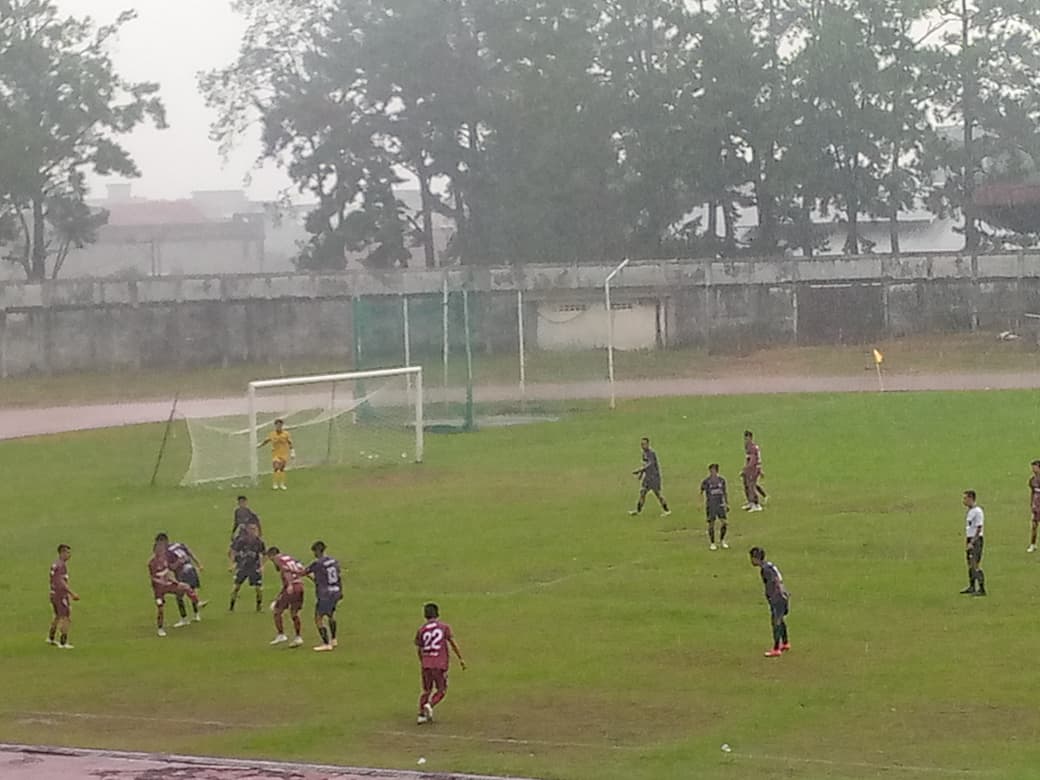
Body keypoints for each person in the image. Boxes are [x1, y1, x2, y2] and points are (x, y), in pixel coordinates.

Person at [415, 603, 465, 724]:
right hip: (439, 664)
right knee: (441, 690)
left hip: (426, 663)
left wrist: (423, 661)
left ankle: (421, 715)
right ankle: (430, 705)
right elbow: (452, 643)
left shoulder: (421, 630)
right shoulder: (444, 627)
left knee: (426, 690)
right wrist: (461, 658)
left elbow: (419, 649)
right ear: (437, 613)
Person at [149, 540, 203, 638]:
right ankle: (160, 629)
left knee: (185, 587)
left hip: (168, 585)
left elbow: (169, 570)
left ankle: (197, 603)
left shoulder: (165, 560)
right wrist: (161, 579)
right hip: (158, 589)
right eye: (159, 550)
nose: (161, 552)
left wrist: (175, 581)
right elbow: (153, 578)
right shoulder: (152, 563)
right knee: (160, 608)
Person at [156, 533, 206, 626]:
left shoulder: (167, 553)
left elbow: (173, 566)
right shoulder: (178, 544)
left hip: (183, 573)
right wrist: (198, 564)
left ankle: (184, 619)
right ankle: (196, 615)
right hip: (191, 569)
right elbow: (189, 552)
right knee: (192, 591)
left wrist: (169, 568)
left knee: (179, 596)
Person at [749, 546, 790, 657]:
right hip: (783, 594)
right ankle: (785, 643)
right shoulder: (769, 565)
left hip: (778, 597)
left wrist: (772, 597)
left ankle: (776, 649)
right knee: (780, 620)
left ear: (756, 558)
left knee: (776, 621)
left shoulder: (765, 570)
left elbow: (773, 583)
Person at [304, 541, 343, 652]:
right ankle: (334, 639)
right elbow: (338, 576)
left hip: (325, 594)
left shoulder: (317, 564)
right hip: (335, 591)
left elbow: (304, 572)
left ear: (317, 551)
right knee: (331, 615)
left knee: (318, 618)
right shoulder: (333, 561)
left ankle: (326, 643)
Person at [265, 546, 305, 647]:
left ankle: (281, 635)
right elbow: (302, 569)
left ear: (272, 555)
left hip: (291, 588)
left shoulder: (278, 559)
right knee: (294, 613)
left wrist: (290, 584)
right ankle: (298, 637)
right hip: (300, 586)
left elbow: (285, 571)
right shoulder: (290, 558)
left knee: (276, 610)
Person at [628, 437, 671, 517]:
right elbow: (644, 464)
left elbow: (650, 464)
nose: (642, 446)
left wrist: (639, 470)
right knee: (642, 493)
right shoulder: (644, 453)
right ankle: (638, 510)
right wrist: (641, 475)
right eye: (641, 444)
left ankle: (667, 510)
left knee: (658, 494)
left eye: (644, 444)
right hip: (647, 478)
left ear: (648, 444)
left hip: (654, 477)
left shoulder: (651, 453)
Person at [48, 544, 80, 650]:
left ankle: (51, 638)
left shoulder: (55, 564)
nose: (69, 555)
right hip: (60, 595)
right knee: (66, 617)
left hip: (53, 593)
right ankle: (63, 642)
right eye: (67, 552)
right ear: (62, 553)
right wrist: (72, 593)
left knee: (57, 615)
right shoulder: (61, 566)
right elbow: (61, 582)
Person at [229, 523, 266, 613]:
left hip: (254, 567)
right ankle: (231, 606)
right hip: (243, 567)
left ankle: (259, 606)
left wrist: (262, 566)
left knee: (258, 588)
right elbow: (233, 551)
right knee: (236, 587)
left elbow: (262, 554)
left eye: (255, 530)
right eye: (252, 530)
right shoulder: (242, 541)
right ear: (248, 531)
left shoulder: (259, 542)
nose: (254, 532)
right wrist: (232, 564)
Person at [962, 490, 986, 596]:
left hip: (975, 540)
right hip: (970, 539)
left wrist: (972, 542)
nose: (964, 501)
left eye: (965, 498)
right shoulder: (970, 511)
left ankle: (981, 589)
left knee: (975, 564)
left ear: (971, 498)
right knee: (970, 564)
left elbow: (979, 528)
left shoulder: (978, 511)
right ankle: (972, 586)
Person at [259, 419, 294, 491]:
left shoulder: (286, 434)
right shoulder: (272, 434)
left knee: (281, 468)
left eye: (280, 425)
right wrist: (259, 445)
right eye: (277, 425)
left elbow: (290, 443)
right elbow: (266, 440)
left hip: (284, 454)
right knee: (276, 467)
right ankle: (275, 484)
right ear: (275, 426)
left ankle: (282, 484)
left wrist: (293, 452)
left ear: (282, 425)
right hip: (275, 454)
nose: (279, 426)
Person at [700, 464, 730, 550]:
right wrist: (699, 503)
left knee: (724, 523)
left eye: (714, 470)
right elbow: (701, 492)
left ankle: (722, 540)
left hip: (720, 504)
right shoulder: (706, 481)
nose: (712, 472)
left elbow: (725, 492)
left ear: (717, 471)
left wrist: (727, 503)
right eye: (711, 471)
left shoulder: (722, 481)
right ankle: (712, 543)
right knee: (711, 524)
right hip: (711, 505)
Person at [742, 430, 766, 512]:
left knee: (751, 486)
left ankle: (756, 504)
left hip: (753, 469)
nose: (746, 440)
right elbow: (748, 459)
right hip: (750, 469)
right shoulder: (747, 446)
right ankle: (750, 502)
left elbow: (754, 460)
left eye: (747, 438)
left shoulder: (753, 448)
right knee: (747, 485)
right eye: (745, 438)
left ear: (751, 438)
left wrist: (748, 468)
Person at [1028, 461, 1040, 553]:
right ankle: (1033, 544)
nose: (1033, 469)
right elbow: (1032, 492)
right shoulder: (1032, 480)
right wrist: (1032, 504)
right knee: (1034, 525)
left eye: (1034, 467)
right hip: (1036, 506)